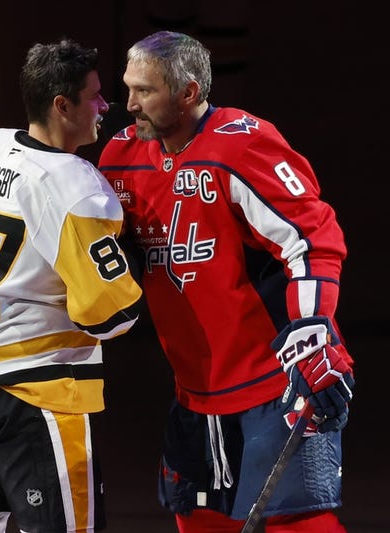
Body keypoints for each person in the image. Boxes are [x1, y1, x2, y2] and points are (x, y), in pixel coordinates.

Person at [97, 31, 356, 532]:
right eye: (127, 88)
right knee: (199, 521)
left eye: (145, 91)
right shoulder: (120, 159)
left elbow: (313, 236)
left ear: (189, 93)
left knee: (298, 525)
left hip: (276, 384)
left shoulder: (243, 145)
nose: (129, 105)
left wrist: (313, 327)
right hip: (195, 391)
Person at [0, 38, 143, 533]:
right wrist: (133, 260)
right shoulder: (76, 185)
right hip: (32, 397)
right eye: (95, 96)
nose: (106, 106)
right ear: (62, 105)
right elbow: (111, 315)